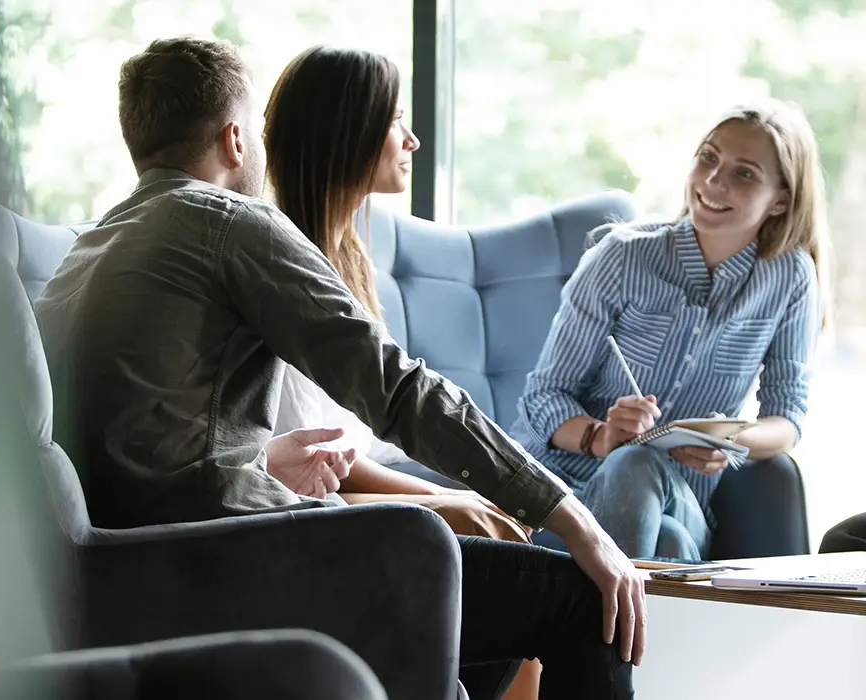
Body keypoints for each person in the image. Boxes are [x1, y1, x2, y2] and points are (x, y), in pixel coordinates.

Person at [33, 37, 644, 699]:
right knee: (584, 601)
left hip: (122, 585)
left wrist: (259, 458)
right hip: (237, 571)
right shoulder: (228, 222)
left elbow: (138, 455)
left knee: (483, 621)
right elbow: (398, 390)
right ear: (236, 141)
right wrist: (574, 518)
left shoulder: (82, 256)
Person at [261, 45, 537, 697]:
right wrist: (444, 499)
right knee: (524, 578)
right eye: (395, 122)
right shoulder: (279, 259)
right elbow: (326, 458)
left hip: (373, 467)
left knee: (518, 526)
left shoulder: (344, 247)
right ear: (347, 134)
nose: (412, 139)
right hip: (319, 490)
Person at [511, 99, 829, 561]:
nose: (714, 181)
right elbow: (544, 395)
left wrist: (731, 441)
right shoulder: (620, 257)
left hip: (682, 500)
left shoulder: (790, 278)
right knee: (669, 540)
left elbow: (788, 419)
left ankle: (600, 633)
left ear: (781, 198)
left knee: (645, 473)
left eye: (744, 173)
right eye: (709, 157)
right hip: (564, 496)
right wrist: (601, 437)